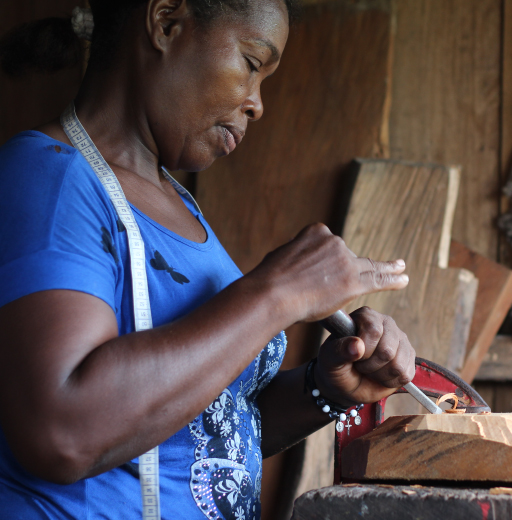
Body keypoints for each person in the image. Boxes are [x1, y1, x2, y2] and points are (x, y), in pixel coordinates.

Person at [0, 1, 416, 518]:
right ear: (166, 22)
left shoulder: (180, 207)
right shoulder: (51, 179)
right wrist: (274, 294)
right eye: (251, 62)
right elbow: (61, 430)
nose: (257, 104)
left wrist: (324, 389)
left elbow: (204, 431)